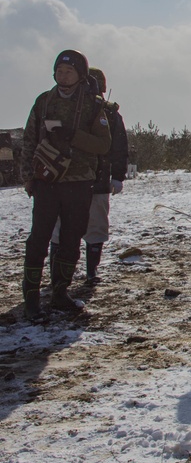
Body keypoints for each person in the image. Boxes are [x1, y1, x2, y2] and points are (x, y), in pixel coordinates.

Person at [20, 50, 111, 318]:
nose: (63, 76)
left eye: (68, 71)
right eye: (59, 70)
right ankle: (32, 298)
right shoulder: (44, 102)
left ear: (80, 74)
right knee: (39, 239)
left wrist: (73, 135)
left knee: (71, 239)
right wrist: (28, 177)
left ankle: (60, 293)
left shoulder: (94, 106)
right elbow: (29, 140)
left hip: (80, 183)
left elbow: (103, 145)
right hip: (46, 183)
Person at [49, 67, 128, 283]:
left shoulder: (108, 112)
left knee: (87, 227)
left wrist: (118, 176)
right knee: (67, 228)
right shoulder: (71, 108)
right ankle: (67, 274)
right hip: (71, 180)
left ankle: (86, 272)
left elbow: (118, 147)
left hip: (92, 180)